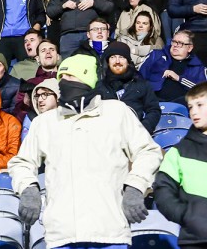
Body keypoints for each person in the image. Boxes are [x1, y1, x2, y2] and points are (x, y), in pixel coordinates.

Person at [10, 53, 162, 247]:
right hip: (62, 233)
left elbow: (148, 151)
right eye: (61, 79)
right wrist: (28, 188)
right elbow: (22, 162)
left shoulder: (117, 112)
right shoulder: (44, 122)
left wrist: (135, 186)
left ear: (86, 79)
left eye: (70, 77)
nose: (64, 83)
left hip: (109, 231)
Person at [153, 82, 207, 246]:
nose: (194, 112)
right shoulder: (179, 151)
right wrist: (186, 215)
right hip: (195, 240)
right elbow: (163, 191)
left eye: (199, 105)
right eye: (190, 107)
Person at [100, 42, 161, 134]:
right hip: (108, 137)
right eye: (113, 57)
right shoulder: (100, 86)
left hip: (136, 137)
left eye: (121, 57)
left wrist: (143, 129)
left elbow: (154, 110)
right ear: (108, 62)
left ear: (128, 62)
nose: (117, 61)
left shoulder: (142, 84)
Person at [140, 30, 207, 104]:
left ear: (189, 48)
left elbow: (201, 91)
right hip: (153, 102)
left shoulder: (197, 66)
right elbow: (140, 77)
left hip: (181, 106)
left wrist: (179, 78)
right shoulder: (156, 55)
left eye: (180, 43)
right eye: (174, 41)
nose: (175, 45)